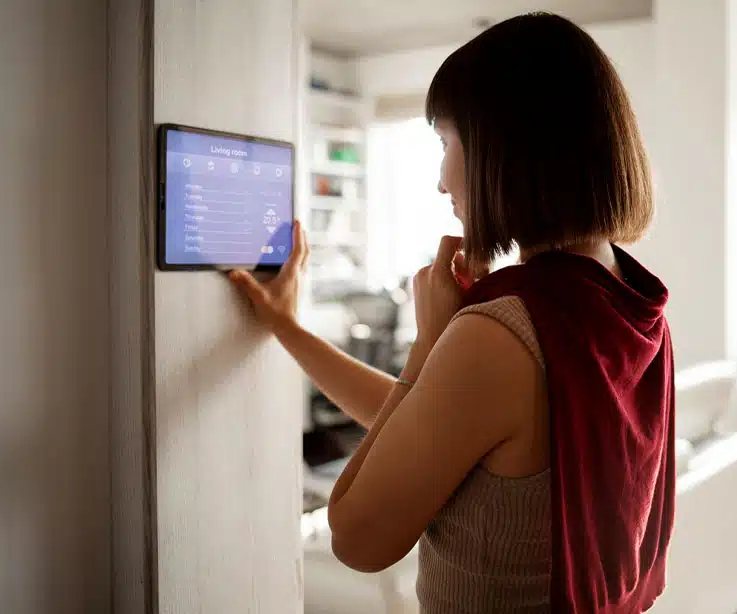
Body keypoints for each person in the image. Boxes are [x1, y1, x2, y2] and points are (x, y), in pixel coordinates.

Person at [230, 12, 675, 614]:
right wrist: (287, 328)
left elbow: (356, 537)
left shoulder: (499, 336)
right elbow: (431, 422)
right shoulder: (623, 298)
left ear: (506, 149)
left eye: (445, 143)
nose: (442, 180)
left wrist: (429, 342)